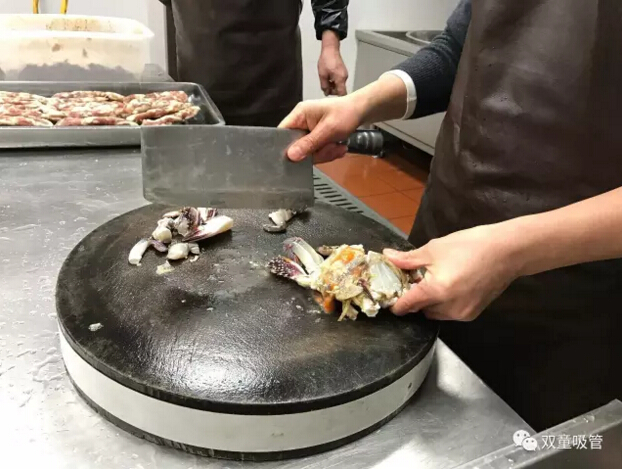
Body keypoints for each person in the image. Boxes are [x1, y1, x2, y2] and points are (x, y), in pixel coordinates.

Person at [279, 0, 622, 432]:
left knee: (530, 445)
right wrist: (361, 104)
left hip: (573, 299)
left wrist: (512, 251)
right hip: (443, 238)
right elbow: (461, 47)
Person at [158, 0, 349, 126]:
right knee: (201, 159)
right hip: (201, 69)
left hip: (272, 80)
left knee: (275, 163)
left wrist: (330, 47)